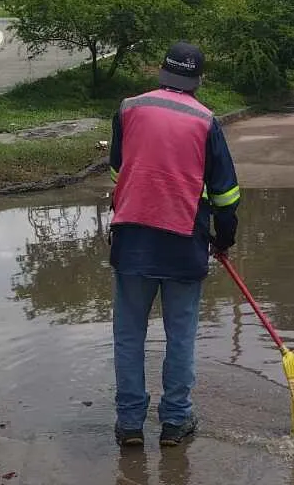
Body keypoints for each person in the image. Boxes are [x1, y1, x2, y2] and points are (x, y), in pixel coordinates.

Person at [107, 41, 241, 448]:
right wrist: (224, 238)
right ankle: (174, 423)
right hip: (184, 243)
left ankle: (130, 425)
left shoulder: (128, 108)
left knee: (129, 335)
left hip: (131, 240)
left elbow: (118, 168)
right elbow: (226, 194)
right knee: (180, 336)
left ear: (160, 73)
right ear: (198, 80)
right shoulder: (206, 121)